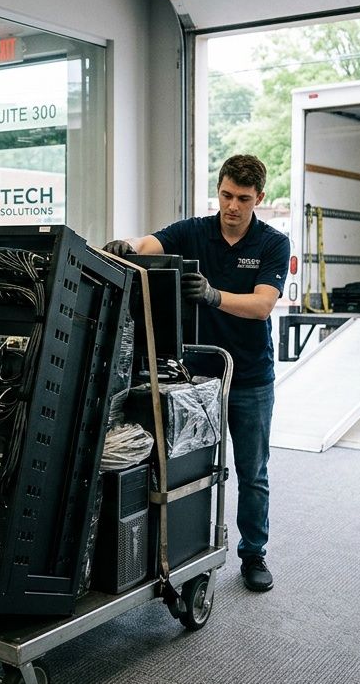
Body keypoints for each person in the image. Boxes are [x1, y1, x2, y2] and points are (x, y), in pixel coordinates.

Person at [103, 154, 289, 594]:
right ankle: (181, 549)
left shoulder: (272, 244)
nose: (232, 206)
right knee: (183, 467)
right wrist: (127, 246)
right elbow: (151, 243)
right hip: (195, 380)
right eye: (226, 195)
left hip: (248, 378)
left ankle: (254, 553)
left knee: (252, 471)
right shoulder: (194, 231)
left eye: (243, 199)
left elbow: (262, 304)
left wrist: (211, 294)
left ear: (258, 198)